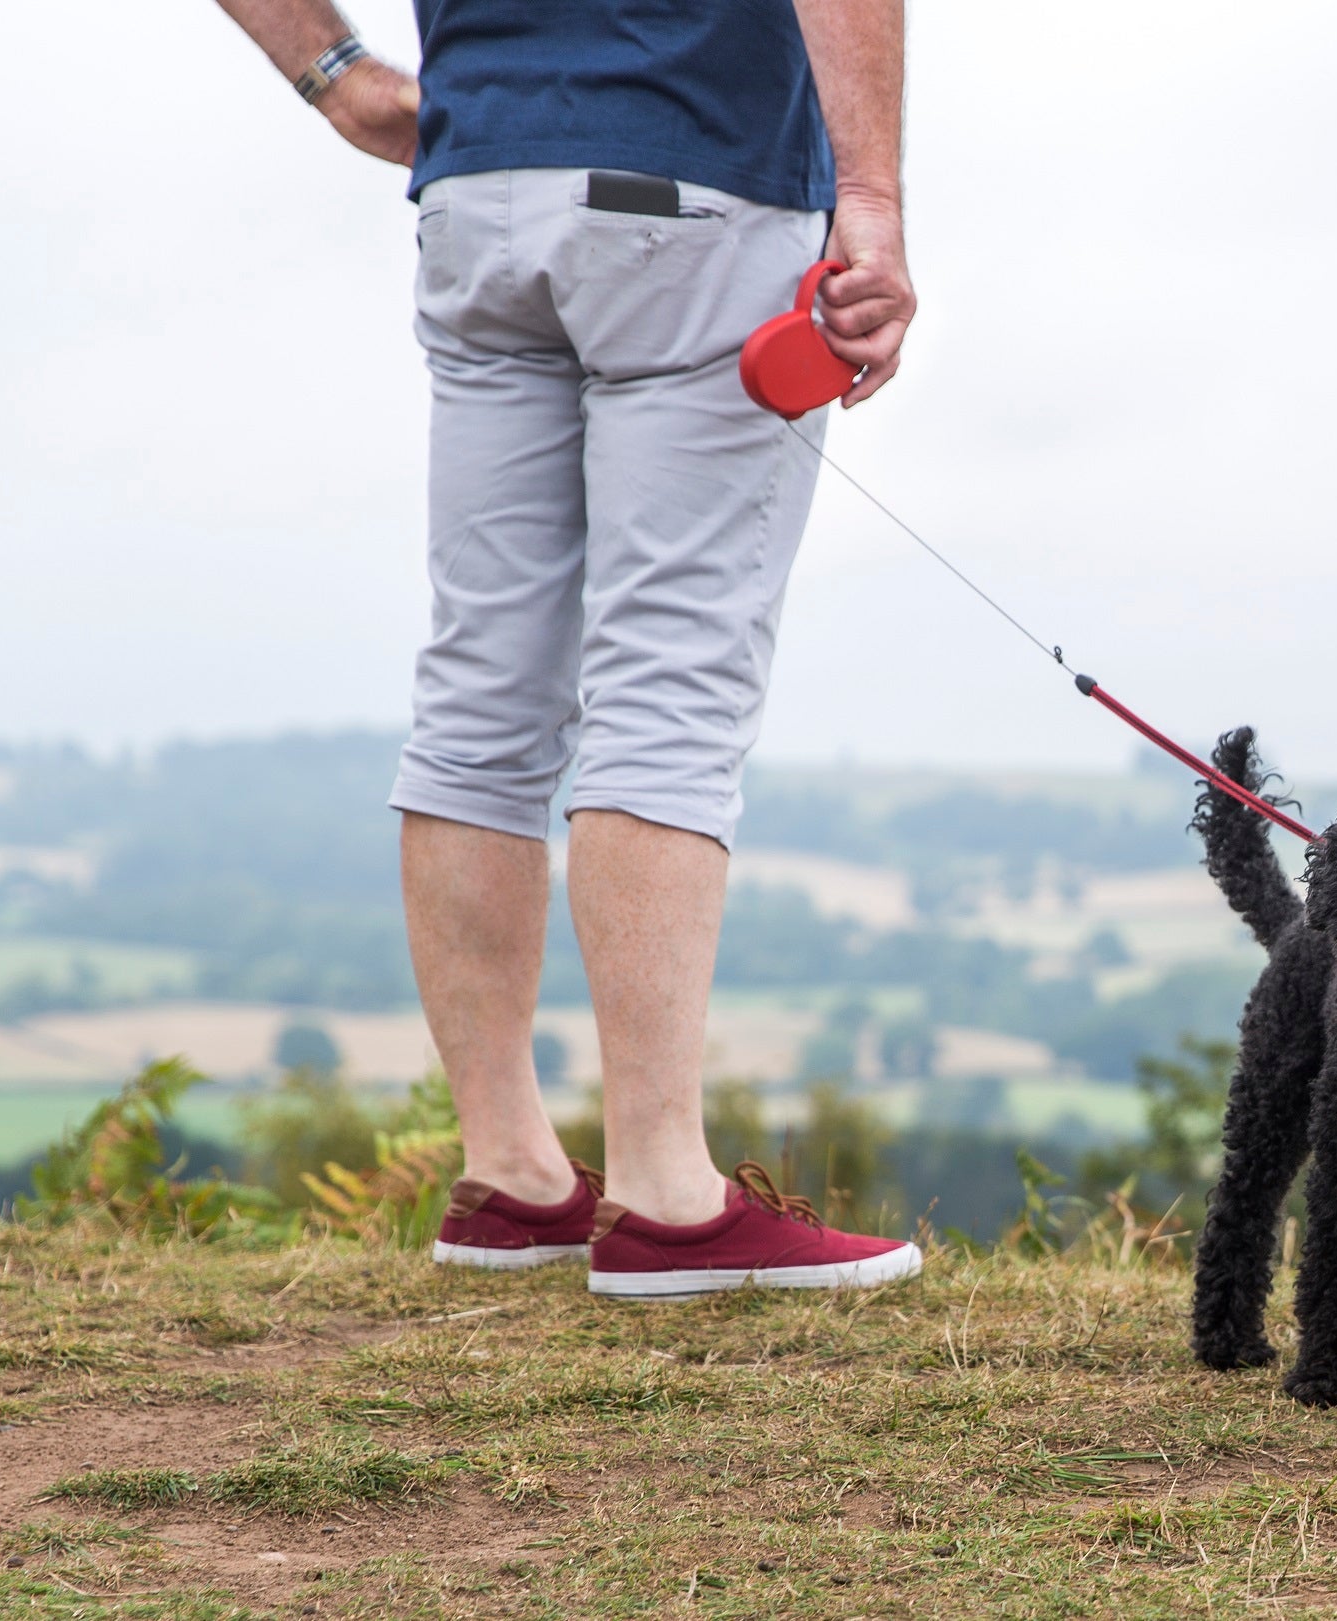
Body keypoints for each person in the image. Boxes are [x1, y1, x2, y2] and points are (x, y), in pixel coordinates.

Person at [211, 0, 921, 1295]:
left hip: (482, 179)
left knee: (481, 686)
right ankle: (666, 1199)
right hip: (697, 173)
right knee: (670, 682)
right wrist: (870, 193)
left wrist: (335, 73)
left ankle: (511, 1177)